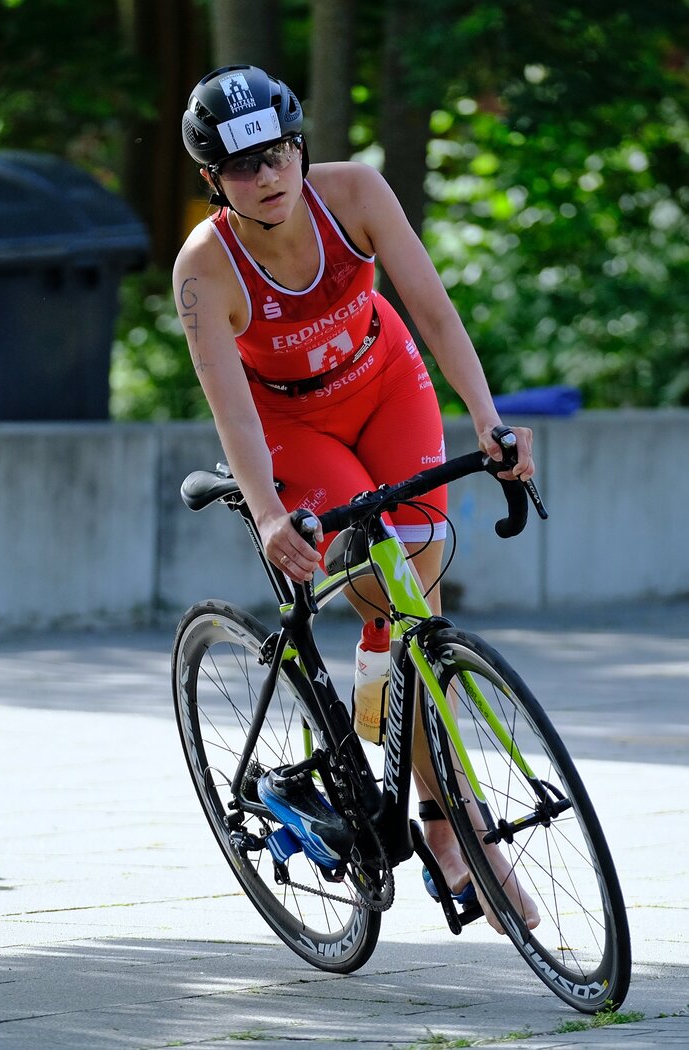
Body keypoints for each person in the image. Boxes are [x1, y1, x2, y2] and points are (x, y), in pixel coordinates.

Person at [175, 64, 539, 931]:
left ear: (300, 147)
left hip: (385, 380)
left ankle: (430, 803)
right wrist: (270, 514)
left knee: (416, 605)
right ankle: (459, 826)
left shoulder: (356, 195)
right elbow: (231, 410)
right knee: (391, 587)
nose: (268, 176)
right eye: (243, 167)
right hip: (291, 424)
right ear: (213, 180)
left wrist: (489, 419)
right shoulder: (205, 269)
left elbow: (435, 312)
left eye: (278, 153)